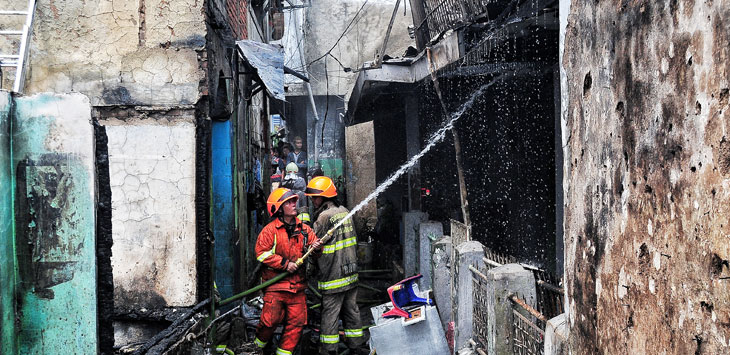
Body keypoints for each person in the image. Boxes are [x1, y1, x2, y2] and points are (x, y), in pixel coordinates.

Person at [253, 188, 322, 355]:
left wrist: (317, 248)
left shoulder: (304, 230)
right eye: (289, 202)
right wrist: (285, 264)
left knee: (296, 324)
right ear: (279, 207)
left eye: (294, 201)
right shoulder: (270, 231)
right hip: (275, 285)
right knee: (269, 322)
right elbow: (261, 253)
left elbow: (315, 250)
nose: (294, 204)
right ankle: (256, 349)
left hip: (297, 287)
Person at [305, 176, 364, 355]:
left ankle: (329, 350)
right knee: (352, 311)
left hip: (333, 276)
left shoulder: (323, 217)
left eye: (315, 197)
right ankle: (356, 347)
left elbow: (315, 248)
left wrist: (308, 272)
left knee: (330, 315)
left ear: (324, 197)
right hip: (350, 273)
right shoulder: (344, 211)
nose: (313, 201)